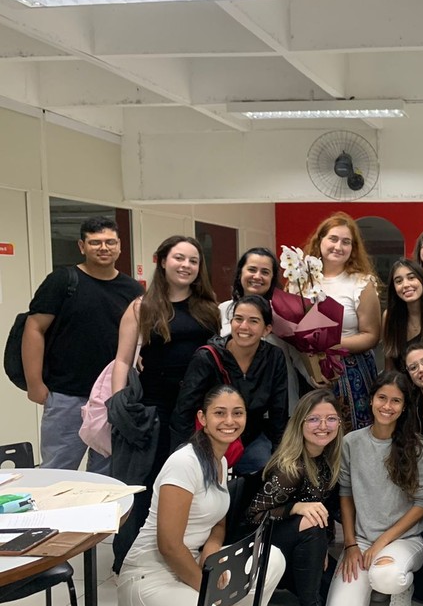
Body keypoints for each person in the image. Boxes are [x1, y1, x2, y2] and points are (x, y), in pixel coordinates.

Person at [117, 385, 286, 606]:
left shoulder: (218, 460)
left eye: (237, 413)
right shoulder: (184, 462)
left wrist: (213, 547)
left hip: (193, 563)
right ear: (202, 418)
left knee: (272, 557)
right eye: (220, 413)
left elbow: (217, 520)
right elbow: (169, 546)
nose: (230, 421)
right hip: (150, 578)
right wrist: (212, 596)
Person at [110, 235, 221, 572]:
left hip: (196, 409)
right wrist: (118, 405)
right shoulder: (142, 307)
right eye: (179, 258)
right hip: (154, 409)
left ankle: (176, 555)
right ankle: (127, 561)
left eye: (193, 260)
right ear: (162, 260)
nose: (186, 265)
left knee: (188, 485)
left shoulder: (209, 309)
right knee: (144, 485)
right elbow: (122, 360)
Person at [22, 216, 142, 473]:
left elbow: (138, 338)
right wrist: (35, 383)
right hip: (66, 395)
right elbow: (34, 328)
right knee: (58, 471)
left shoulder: (131, 288)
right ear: (81, 246)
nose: (103, 248)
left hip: (110, 399)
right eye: (95, 242)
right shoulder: (62, 281)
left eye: (110, 242)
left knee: (106, 474)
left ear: (120, 245)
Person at [326, 371, 423, 606]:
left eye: (396, 401)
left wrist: (381, 542)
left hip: (404, 538)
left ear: (405, 406)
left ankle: (399, 586)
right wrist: (351, 545)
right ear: (371, 400)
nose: (387, 406)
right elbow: (346, 495)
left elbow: (422, 503)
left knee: (387, 577)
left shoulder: (418, 447)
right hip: (361, 540)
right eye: (382, 398)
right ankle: (373, 578)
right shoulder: (351, 442)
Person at [248, 389, 347, 606]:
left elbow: (329, 510)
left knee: (340, 600)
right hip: (266, 547)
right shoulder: (289, 468)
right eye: (314, 419)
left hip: (304, 544)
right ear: (300, 423)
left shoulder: (326, 460)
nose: (323, 426)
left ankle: (309, 593)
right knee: (310, 521)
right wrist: (294, 508)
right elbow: (253, 517)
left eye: (331, 419)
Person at [171, 295, 289, 474]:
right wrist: (184, 457)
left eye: (253, 321)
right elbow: (183, 411)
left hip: (251, 440)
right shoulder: (207, 357)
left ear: (267, 329)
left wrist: (280, 457)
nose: (243, 327)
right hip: (211, 438)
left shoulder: (274, 357)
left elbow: (278, 412)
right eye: (238, 319)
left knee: (265, 471)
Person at [303, 212, 381, 430]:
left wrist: (331, 345)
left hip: (351, 372)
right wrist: (310, 364)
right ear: (320, 241)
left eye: (346, 242)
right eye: (333, 239)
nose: (338, 246)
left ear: (353, 249)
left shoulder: (361, 283)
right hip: (309, 370)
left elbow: (372, 336)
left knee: (350, 434)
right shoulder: (302, 280)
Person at [218, 247, 300, 410]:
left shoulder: (284, 312)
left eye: (265, 272)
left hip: (280, 403)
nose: (257, 276)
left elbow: (299, 354)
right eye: (252, 269)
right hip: (233, 403)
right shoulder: (223, 310)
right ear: (241, 272)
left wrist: (316, 377)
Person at [381, 258, 423, 371]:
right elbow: (389, 366)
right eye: (398, 281)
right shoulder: (389, 316)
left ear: (422, 280)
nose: (405, 285)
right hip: (401, 385)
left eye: (411, 278)